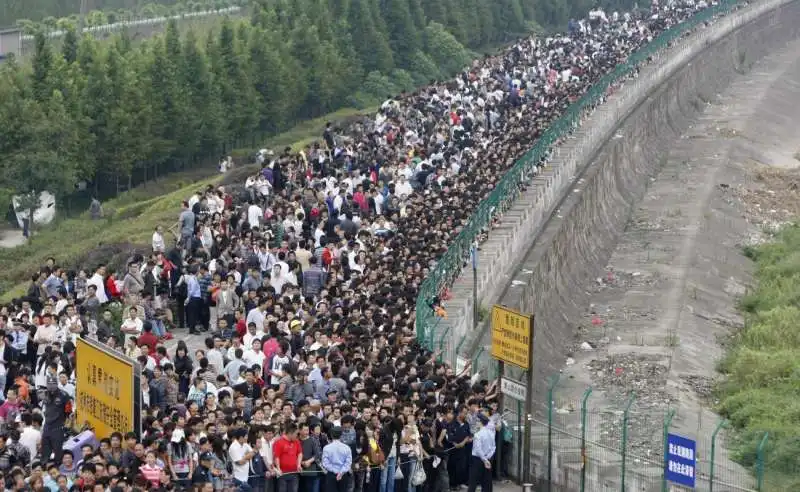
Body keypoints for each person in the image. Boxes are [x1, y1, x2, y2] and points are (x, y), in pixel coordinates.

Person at [466, 415, 494, 492]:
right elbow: (493, 447)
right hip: (488, 458)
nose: (476, 423)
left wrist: (484, 460)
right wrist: (487, 458)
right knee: (487, 482)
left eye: (477, 421)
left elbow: (478, 449)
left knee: (473, 482)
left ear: (480, 422)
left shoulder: (477, 435)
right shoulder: (491, 433)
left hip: (477, 460)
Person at [273, 423, 302, 492]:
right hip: (283, 474)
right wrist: (278, 468)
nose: (297, 436)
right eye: (296, 434)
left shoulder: (296, 441)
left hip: (294, 473)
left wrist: (299, 464)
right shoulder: (279, 442)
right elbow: (277, 457)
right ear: (290, 433)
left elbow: (300, 453)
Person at [322, 427, 352, 492]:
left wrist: (335, 471)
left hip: (331, 474)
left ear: (331, 435)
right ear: (341, 435)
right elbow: (348, 463)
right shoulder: (347, 448)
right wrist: (340, 472)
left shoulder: (326, 448)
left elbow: (325, 463)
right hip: (343, 474)